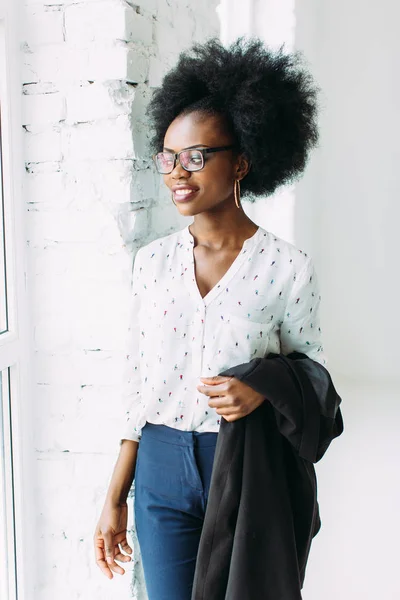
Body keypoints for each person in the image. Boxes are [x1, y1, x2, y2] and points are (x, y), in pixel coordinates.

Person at [93, 36, 326, 600]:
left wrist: (261, 390)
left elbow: (313, 379)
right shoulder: (151, 265)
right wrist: (115, 495)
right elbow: (137, 387)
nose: (178, 173)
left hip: (245, 466)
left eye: (197, 156)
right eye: (168, 157)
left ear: (242, 161)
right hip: (161, 467)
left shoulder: (287, 269)